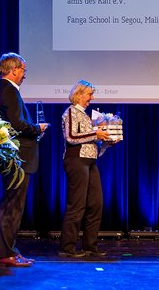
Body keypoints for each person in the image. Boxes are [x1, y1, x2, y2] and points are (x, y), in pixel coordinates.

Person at [0, 52, 49, 267]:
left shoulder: (4, 89)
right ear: (14, 70)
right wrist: (37, 128)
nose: (25, 75)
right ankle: (6, 253)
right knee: (13, 206)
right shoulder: (9, 90)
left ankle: (9, 251)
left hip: (16, 157)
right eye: (24, 70)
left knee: (12, 205)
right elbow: (16, 124)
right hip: (18, 158)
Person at [58, 79, 120, 258]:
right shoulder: (71, 112)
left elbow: (90, 141)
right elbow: (71, 137)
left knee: (95, 204)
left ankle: (90, 246)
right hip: (76, 160)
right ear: (79, 94)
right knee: (77, 205)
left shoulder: (85, 115)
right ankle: (67, 247)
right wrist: (95, 133)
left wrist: (106, 141)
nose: (91, 98)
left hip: (90, 161)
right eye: (89, 94)